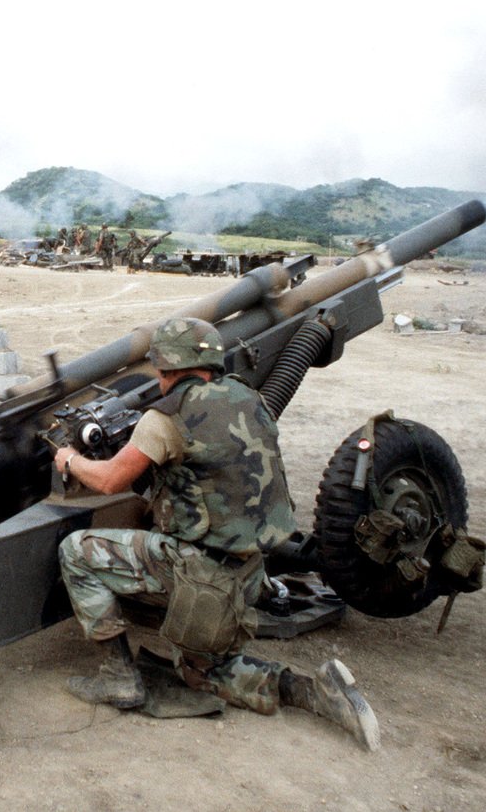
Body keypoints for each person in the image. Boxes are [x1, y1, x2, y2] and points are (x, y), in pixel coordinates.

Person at [51, 317, 380, 750]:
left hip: (201, 574)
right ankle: (316, 692)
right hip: (250, 572)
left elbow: (112, 480)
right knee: (201, 669)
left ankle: (118, 678)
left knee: (77, 550)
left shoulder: (166, 418)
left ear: (165, 367)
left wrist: (70, 460)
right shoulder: (250, 398)